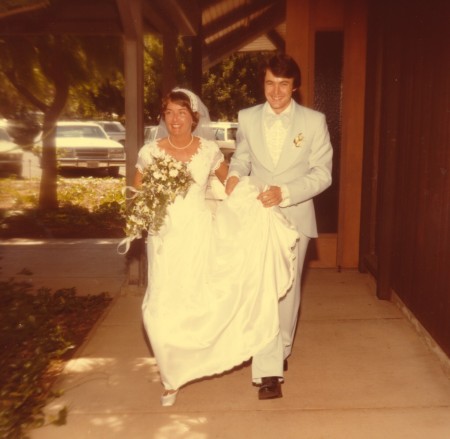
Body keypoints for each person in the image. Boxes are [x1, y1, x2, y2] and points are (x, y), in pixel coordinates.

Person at [132, 88, 299, 407]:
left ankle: (186, 365)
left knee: (195, 302)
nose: (175, 119)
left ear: (194, 117)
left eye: (181, 112)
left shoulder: (208, 150)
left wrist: (253, 201)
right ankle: (170, 377)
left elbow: (231, 184)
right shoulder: (150, 151)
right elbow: (136, 192)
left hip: (197, 234)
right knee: (158, 308)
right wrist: (147, 210)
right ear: (162, 117)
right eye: (168, 112)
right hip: (164, 238)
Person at [225, 54, 333, 400]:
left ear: (295, 86)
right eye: (270, 83)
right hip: (256, 215)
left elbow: (323, 174)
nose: (276, 91)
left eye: (283, 85)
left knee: (285, 291)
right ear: (263, 83)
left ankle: (280, 348)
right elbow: (242, 156)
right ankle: (269, 369)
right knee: (261, 288)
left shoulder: (314, 122)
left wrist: (285, 192)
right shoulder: (247, 117)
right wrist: (234, 175)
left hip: (294, 215)